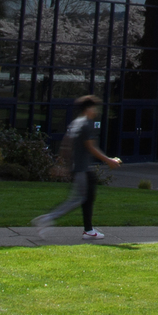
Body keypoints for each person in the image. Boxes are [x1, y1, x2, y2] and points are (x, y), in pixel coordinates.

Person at [32, 96, 122, 239]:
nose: (96, 111)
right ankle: (47, 219)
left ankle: (89, 230)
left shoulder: (76, 123)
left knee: (88, 197)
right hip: (82, 169)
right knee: (78, 199)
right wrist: (108, 160)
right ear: (88, 108)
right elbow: (91, 147)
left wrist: (62, 164)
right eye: (95, 108)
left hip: (79, 168)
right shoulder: (87, 124)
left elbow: (66, 144)